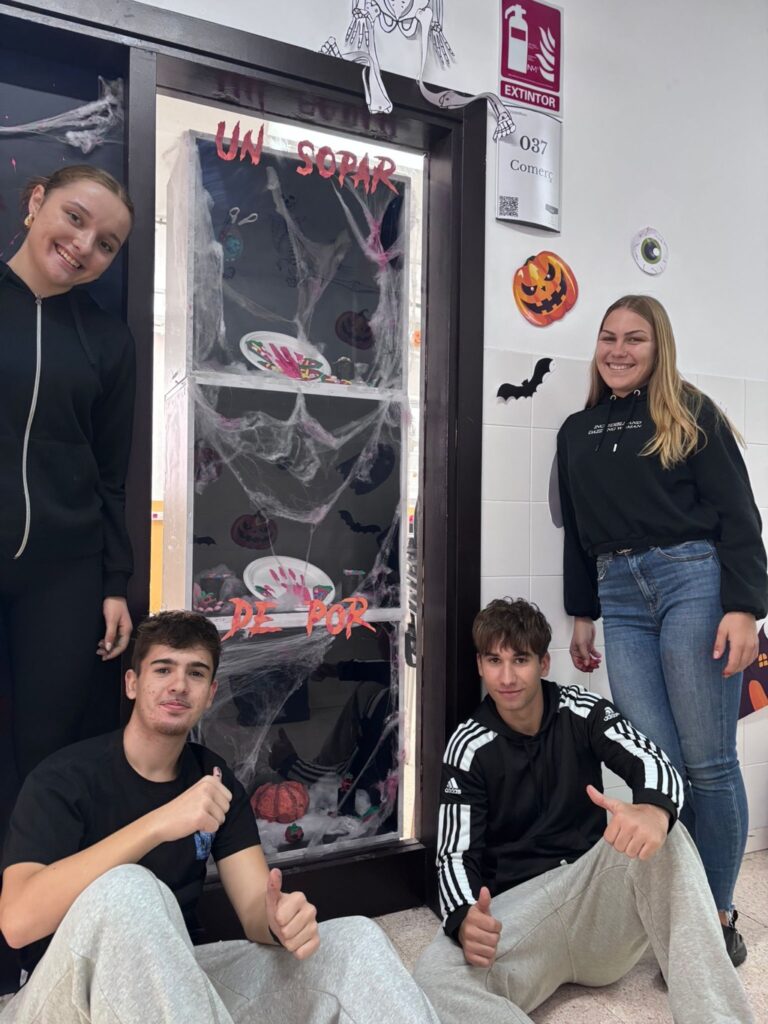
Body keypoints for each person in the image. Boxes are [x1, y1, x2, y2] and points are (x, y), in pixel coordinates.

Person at [0, 610, 440, 1024]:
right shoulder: (65, 779)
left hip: (174, 985)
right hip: (66, 994)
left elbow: (253, 909)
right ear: (132, 683)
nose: (179, 685)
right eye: (163, 669)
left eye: (195, 673)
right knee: (127, 889)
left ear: (210, 694)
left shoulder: (212, 779)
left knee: (355, 941)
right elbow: (18, 922)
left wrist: (279, 920)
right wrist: (157, 824)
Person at [413, 598, 754, 1024]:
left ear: (543, 664)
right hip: (521, 921)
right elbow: (453, 854)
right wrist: (464, 916)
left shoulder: (583, 710)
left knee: (668, 834)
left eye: (520, 660)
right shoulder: (467, 745)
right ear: (480, 666)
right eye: (494, 661)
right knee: (432, 977)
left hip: (592, 906)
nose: (506, 677)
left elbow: (653, 761)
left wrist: (654, 811)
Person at [556, 295, 767, 965]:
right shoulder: (576, 430)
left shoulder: (691, 413)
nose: (618, 350)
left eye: (635, 339)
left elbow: (739, 514)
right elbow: (577, 534)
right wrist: (582, 613)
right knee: (658, 765)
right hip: (618, 595)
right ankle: (681, 904)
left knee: (708, 763)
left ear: (659, 347)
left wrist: (745, 607)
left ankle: (715, 915)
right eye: (608, 337)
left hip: (693, 582)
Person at [0, 165, 137, 793]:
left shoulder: (108, 340)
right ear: (37, 202)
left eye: (105, 243)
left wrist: (114, 583)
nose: (84, 246)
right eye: (75, 219)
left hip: (64, 574)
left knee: (47, 750)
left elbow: (111, 474)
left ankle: (34, 858)